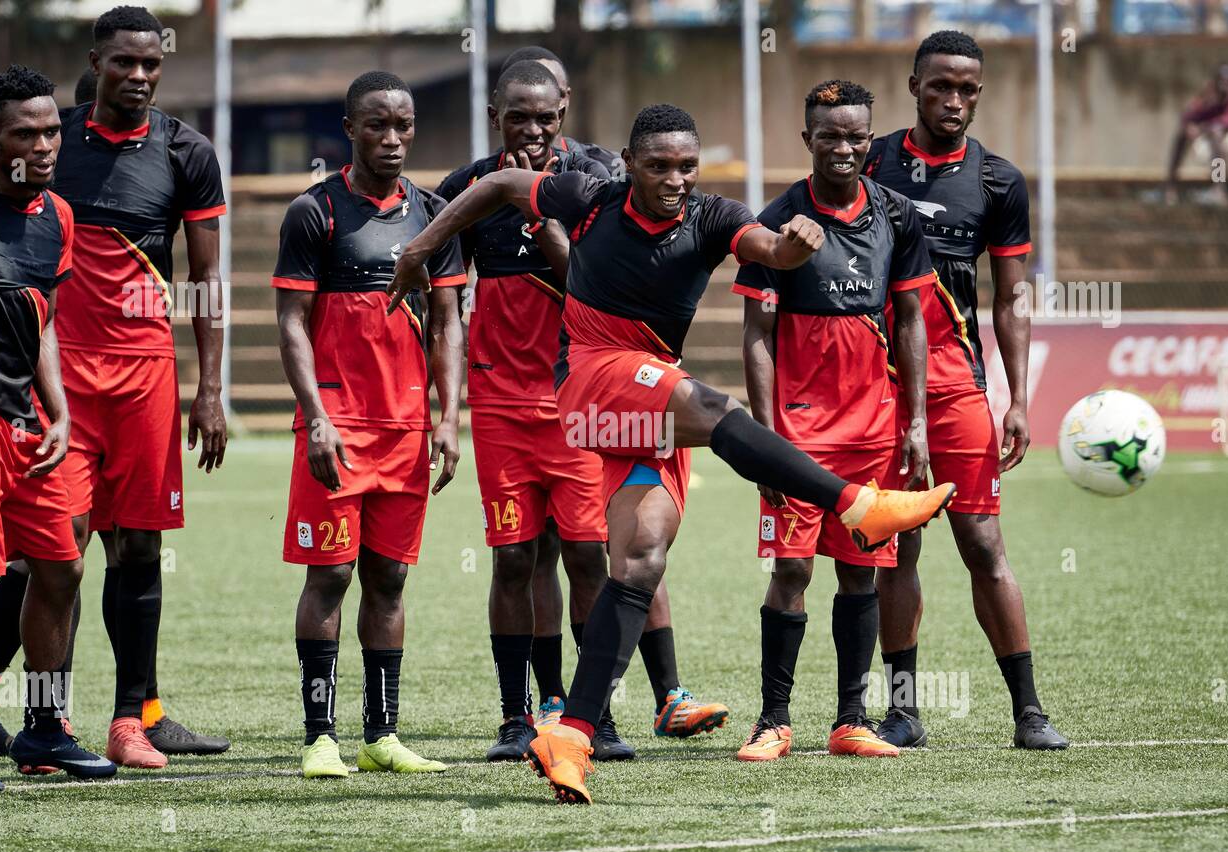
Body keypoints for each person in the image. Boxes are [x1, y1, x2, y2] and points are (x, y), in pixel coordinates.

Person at [388, 103, 956, 804]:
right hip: (595, 376)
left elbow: (770, 251)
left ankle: (569, 735)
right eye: (658, 165)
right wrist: (420, 247)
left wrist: (795, 246)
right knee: (719, 410)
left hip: (644, 400)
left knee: (640, 559)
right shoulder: (590, 198)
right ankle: (857, 504)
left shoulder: (713, 217)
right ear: (628, 165)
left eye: (687, 165)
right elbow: (501, 187)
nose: (675, 178)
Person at [0, 6, 232, 769]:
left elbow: (208, 279)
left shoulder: (187, 152)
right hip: (59, 378)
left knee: (138, 546)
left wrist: (209, 387)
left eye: (152, 64)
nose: (140, 76)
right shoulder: (50, 147)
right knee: (53, 548)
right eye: (124, 63)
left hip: (146, 374)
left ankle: (130, 719)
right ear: (97, 63)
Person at [495, 46, 724, 743]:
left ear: (565, 107)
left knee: (607, 550)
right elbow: (444, 291)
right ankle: (534, 711)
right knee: (517, 555)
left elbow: (591, 279)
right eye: (519, 116)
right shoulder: (475, 185)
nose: (535, 130)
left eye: (548, 112)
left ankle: (641, 700)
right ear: (498, 116)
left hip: (594, 394)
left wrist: (546, 225)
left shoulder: (599, 182)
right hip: (506, 400)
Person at [864, 30, 1068, 750]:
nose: (954, 100)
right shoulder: (870, 159)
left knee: (983, 544)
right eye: (940, 86)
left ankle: (1029, 711)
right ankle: (902, 710)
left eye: (967, 90)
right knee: (896, 546)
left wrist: (1017, 399)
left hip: (956, 388)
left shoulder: (998, 181)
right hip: (876, 387)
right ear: (914, 84)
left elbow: (1011, 300)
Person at [734, 80, 933, 762]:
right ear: (807, 140)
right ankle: (773, 722)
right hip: (798, 437)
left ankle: (851, 720)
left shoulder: (898, 217)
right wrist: (764, 439)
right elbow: (757, 335)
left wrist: (916, 421)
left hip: (873, 431)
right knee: (791, 571)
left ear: (869, 139)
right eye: (830, 136)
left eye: (856, 137)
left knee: (859, 572)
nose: (844, 148)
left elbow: (909, 319)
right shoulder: (779, 221)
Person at [273, 71, 463, 780]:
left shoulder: (437, 216)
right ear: (349, 128)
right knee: (332, 573)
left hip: (407, 430)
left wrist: (448, 420)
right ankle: (318, 736)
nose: (392, 138)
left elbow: (447, 325)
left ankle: (380, 736)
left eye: (403, 126)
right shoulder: (314, 213)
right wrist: (316, 418)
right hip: (337, 428)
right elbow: (290, 323)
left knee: (389, 577)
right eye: (377, 125)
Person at [0, 65, 119, 788]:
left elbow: (44, 325)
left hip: (29, 418)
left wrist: (58, 410)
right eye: (26, 133)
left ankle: (44, 728)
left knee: (61, 568)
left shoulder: (57, 217)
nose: (45, 143)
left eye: (53, 129)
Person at [1167, 64, 1228, 204]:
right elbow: (1187, 119)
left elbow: (1225, 122)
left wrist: (1199, 129)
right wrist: (1203, 99)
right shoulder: (1214, 103)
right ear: (1214, 84)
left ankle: (1219, 190)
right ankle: (1170, 186)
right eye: (1221, 82)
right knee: (1184, 133)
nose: (1224, 85)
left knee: (1216, 132)